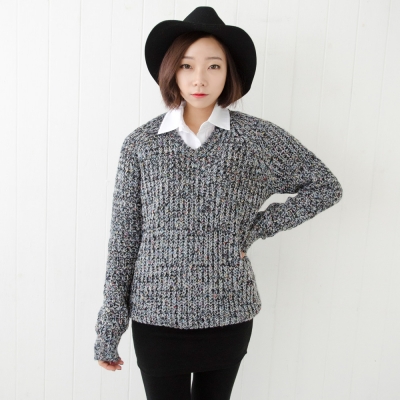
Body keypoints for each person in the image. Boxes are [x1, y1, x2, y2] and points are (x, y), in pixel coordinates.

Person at [94, 6, 343, 400]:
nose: (200, 78)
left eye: (214, 66)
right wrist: (110, 328)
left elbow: (325, 186)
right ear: (172, 71)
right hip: (155, 317)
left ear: (229, 73)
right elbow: (124, 240)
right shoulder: (141, 145)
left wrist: (256, 228)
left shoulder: (256, 139)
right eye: (187, 65)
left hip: (228, 313)